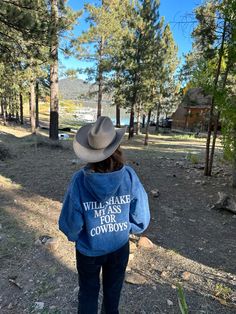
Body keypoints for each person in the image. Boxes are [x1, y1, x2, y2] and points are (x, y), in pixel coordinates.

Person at [59, 116, 150, 314]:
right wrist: (126, 228)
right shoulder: (129, 176)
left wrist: (79, 236)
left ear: (89, 152)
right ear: (116, 148)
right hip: (119, 248)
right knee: (112, 294)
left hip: (88, 251)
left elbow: (70, 224)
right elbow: (142, 217)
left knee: (88, 294)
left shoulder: (79, 181)